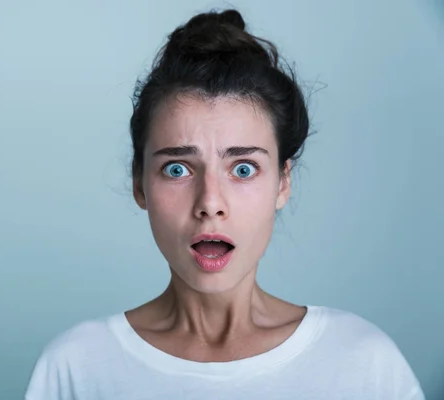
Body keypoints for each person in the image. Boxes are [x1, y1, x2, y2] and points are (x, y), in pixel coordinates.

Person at [25, 9, 424, 399]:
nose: (210, 203)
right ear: (139, 183)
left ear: (283, 183)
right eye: (178, 169)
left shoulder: (364, 365)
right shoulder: (77, 369)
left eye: (244, 169)